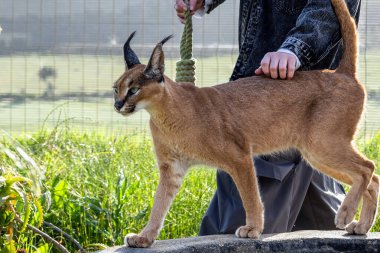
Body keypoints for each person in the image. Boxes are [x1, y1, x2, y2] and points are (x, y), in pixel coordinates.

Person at [175, 0, 361, 234]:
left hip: (285, 98)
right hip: (294, 100)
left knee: (237, 234)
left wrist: (294, 49)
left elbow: (329, 7)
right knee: (327, 230)